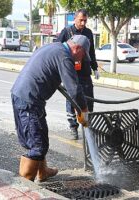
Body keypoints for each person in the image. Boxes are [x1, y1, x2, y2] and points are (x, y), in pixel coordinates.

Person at [11, 35, 91, 181]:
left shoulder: (53, 47)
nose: (81, 59)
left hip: (23, 95)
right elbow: (73, 89)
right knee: (37, 146)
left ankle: (43, 172)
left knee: (41, 137)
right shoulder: (65, 57)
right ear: (77, 48)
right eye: (83, 55)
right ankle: (24, 186)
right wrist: (83, 110)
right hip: (29, 101)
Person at [57, 9, 99, 140]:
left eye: (85, 20)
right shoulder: (67, 32)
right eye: (81, 20)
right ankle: (73, 127)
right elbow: (58, 49)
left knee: (88, 99)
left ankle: (87, 126)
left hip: (85, 72)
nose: (83, 22)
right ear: (75, 19)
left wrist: (95, 68)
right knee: (72, 99)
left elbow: (91, 52)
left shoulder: (88, 33)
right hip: (71, 72)